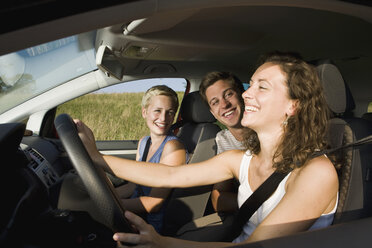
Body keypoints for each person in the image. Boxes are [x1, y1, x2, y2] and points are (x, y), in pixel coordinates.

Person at [75, 52, 339, 246]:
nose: (246, 94)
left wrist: (161, 242)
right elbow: (168, 176)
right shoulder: (239, 159)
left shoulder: (317, 172)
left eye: (262, 86)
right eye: (251, 84)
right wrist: (97, 157)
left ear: (292, 106)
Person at [114, 85, 187, 233]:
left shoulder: (173, 147)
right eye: (157, 111)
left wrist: (113, 204)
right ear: (144, 112)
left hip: (150, 227)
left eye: (170, 112)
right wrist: (107, 195)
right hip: (133, 215)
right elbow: (133, 186)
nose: (163, 118)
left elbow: (154, 203)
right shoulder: (144, 142)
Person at [199, 71, 246, 214]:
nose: (224, 104)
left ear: (243, 95)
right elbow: (218, 199)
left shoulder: (267, 130)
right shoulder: (223, 139)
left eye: (228, 94)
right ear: (213, 113)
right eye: (215, 102)